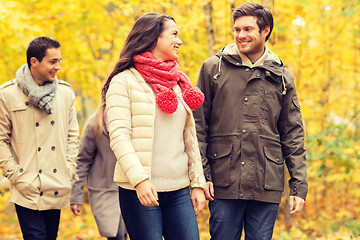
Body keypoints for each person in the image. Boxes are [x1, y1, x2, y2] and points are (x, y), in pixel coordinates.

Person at [193, 2, 308, 240]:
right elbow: (198, 127)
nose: (240, 35)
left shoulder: (282, 76)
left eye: (248, 29)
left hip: (266, 181)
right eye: (237, 30)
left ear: (265, 30)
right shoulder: (213, 68)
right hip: (223, 180)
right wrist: (202, 176)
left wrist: (299, 186)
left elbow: (292, 133)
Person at [101, 13, 207, 240]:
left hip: (179, 190)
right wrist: (139, 180)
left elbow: (189, 136)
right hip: (140, 191)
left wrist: (197, 182)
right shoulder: (123, 81)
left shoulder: (179, 81)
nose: (180, 41)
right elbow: (119, 136)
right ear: (154, 38)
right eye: (174, 34)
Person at [0, 36, 79, 240]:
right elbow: (1, 140)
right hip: (26, 186)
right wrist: (16, 174)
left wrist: (68, 168)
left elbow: (72, 136)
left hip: (56, 183)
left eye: (59, 61)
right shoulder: (8, 94)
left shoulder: (65, 93)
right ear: (34, 61)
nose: (58, 67)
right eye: (52, 62)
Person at [70, 98, 126, 240]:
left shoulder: (129, 119)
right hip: (104, 191)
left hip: (129, 189)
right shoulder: (94, 124)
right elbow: (82, 161)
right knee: (116, 235)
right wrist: (76, 195)